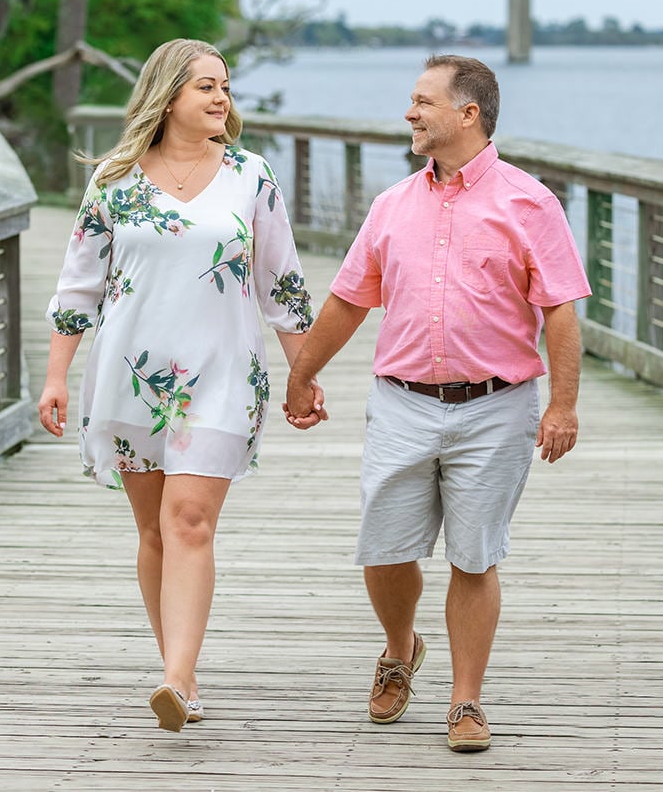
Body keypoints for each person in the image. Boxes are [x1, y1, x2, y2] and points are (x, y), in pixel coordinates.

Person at [284, 54, 591, 752]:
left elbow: (561, 316)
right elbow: (348, 299)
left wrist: (563, 406)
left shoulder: (529, 202)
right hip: (401, 402)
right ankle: (400, 649)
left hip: (496, 407)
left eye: (422, 101)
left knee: (474, 558)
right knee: (385, 549)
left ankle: (465, 701)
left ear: (467, 114)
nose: (409, 113)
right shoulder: (392, 204)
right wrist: (302, 374)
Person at [38, 38, 322, 733]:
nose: (221, 98)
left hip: (223, 375)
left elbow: (282, 284)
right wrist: (55, 375)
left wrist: (303, 372)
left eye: (224, 86)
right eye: (206, 87)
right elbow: (79, 284)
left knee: (188, 520)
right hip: (130, 378)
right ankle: (181, 678)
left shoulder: (251, 177)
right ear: (168, 97)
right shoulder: (114, 179)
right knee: (153, 531)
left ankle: (176, 677)